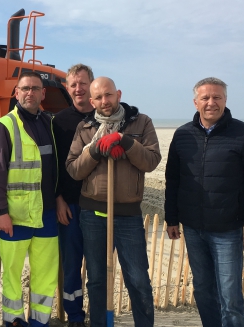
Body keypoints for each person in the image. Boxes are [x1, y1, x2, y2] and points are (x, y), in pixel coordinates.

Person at [164, 77, 244, 327]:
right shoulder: (182, 136)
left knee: (230, 297)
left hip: (228, 230)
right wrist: (171, 218)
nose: (211, 103)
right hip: (193, 228)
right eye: (205, 98)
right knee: (202, 290)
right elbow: (173, 180)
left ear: (225, 100)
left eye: (217, 97)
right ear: (195, 102)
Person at [66, 76, 160, 327]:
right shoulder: (85, 128)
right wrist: (95, 150)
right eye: (98, 97)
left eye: (108, 95)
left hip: (128, 215)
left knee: (138, 278)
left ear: (118, 94)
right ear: (91, 100)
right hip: (93, 214)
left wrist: (127, 142)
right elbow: (74, 170)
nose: (104, 101)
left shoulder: (141, 122)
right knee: (97, 279)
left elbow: (151, 161)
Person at [0, 71, 59, 327]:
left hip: (47, 214)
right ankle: (14, 321)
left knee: (45, 275)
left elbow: (56, 169)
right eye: (25, 88)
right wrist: (1, 212)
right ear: (16, 93)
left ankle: (40, 322)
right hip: (15, 216)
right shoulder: (4, 125)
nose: (30, 93)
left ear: (43, 93)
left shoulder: (50, 123)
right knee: (13, 275)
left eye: (35, 88)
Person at [52, 64, 95, 327]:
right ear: (67, 88)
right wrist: (58, 199)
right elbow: (53, 165)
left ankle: (99, 315)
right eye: (73, 84)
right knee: (71, 267)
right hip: (69, 206)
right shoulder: (58, 121)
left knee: (99, 269)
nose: (78, 88)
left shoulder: (106, 117)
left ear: (92, 85)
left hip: (99, 207)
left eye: (83, 83)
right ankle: (75, 317)